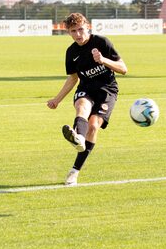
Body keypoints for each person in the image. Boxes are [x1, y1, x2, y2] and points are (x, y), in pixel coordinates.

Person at [47, 13, 127, 186]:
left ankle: (74, 171)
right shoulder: (71, 52)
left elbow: (123, 69)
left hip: (107, 91)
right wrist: (57, 99)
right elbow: (73, 78)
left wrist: (103, 60)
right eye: (73, 31)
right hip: (86, 89)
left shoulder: (102, 42)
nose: (78, 34)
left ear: (88, 26)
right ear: (68, 32)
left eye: (81, 29)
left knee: (93, 126)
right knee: (82, 106)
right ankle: (79, 139)